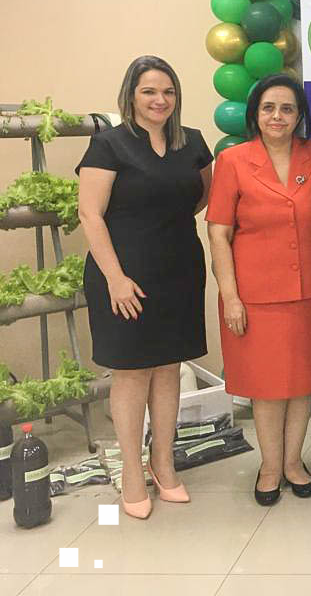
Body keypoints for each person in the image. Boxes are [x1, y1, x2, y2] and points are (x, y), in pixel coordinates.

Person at [77, 55, 213, 519]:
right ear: (131, 95)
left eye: (168, 92)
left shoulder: (192, 142)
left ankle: (164, 463)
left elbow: (202, 196)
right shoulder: (108, 144)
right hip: (122, 275)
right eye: (149, 91)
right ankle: (133, 473)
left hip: (178, 270)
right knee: (132, 372)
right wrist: (115, 278)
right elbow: (90, 215)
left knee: (169, 368)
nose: (160, 100)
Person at [206, 74, 311, 507]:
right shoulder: (233, 160)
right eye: (268, 108)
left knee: (302, 383)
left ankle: (294, 462)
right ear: (255, 114)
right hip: (255, 294)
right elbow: (219, 234)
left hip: (310, 290)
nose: (277, 116)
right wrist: (230, 296)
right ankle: (269, 465)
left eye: (287, 108)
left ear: (300, 115)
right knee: (265, 386)